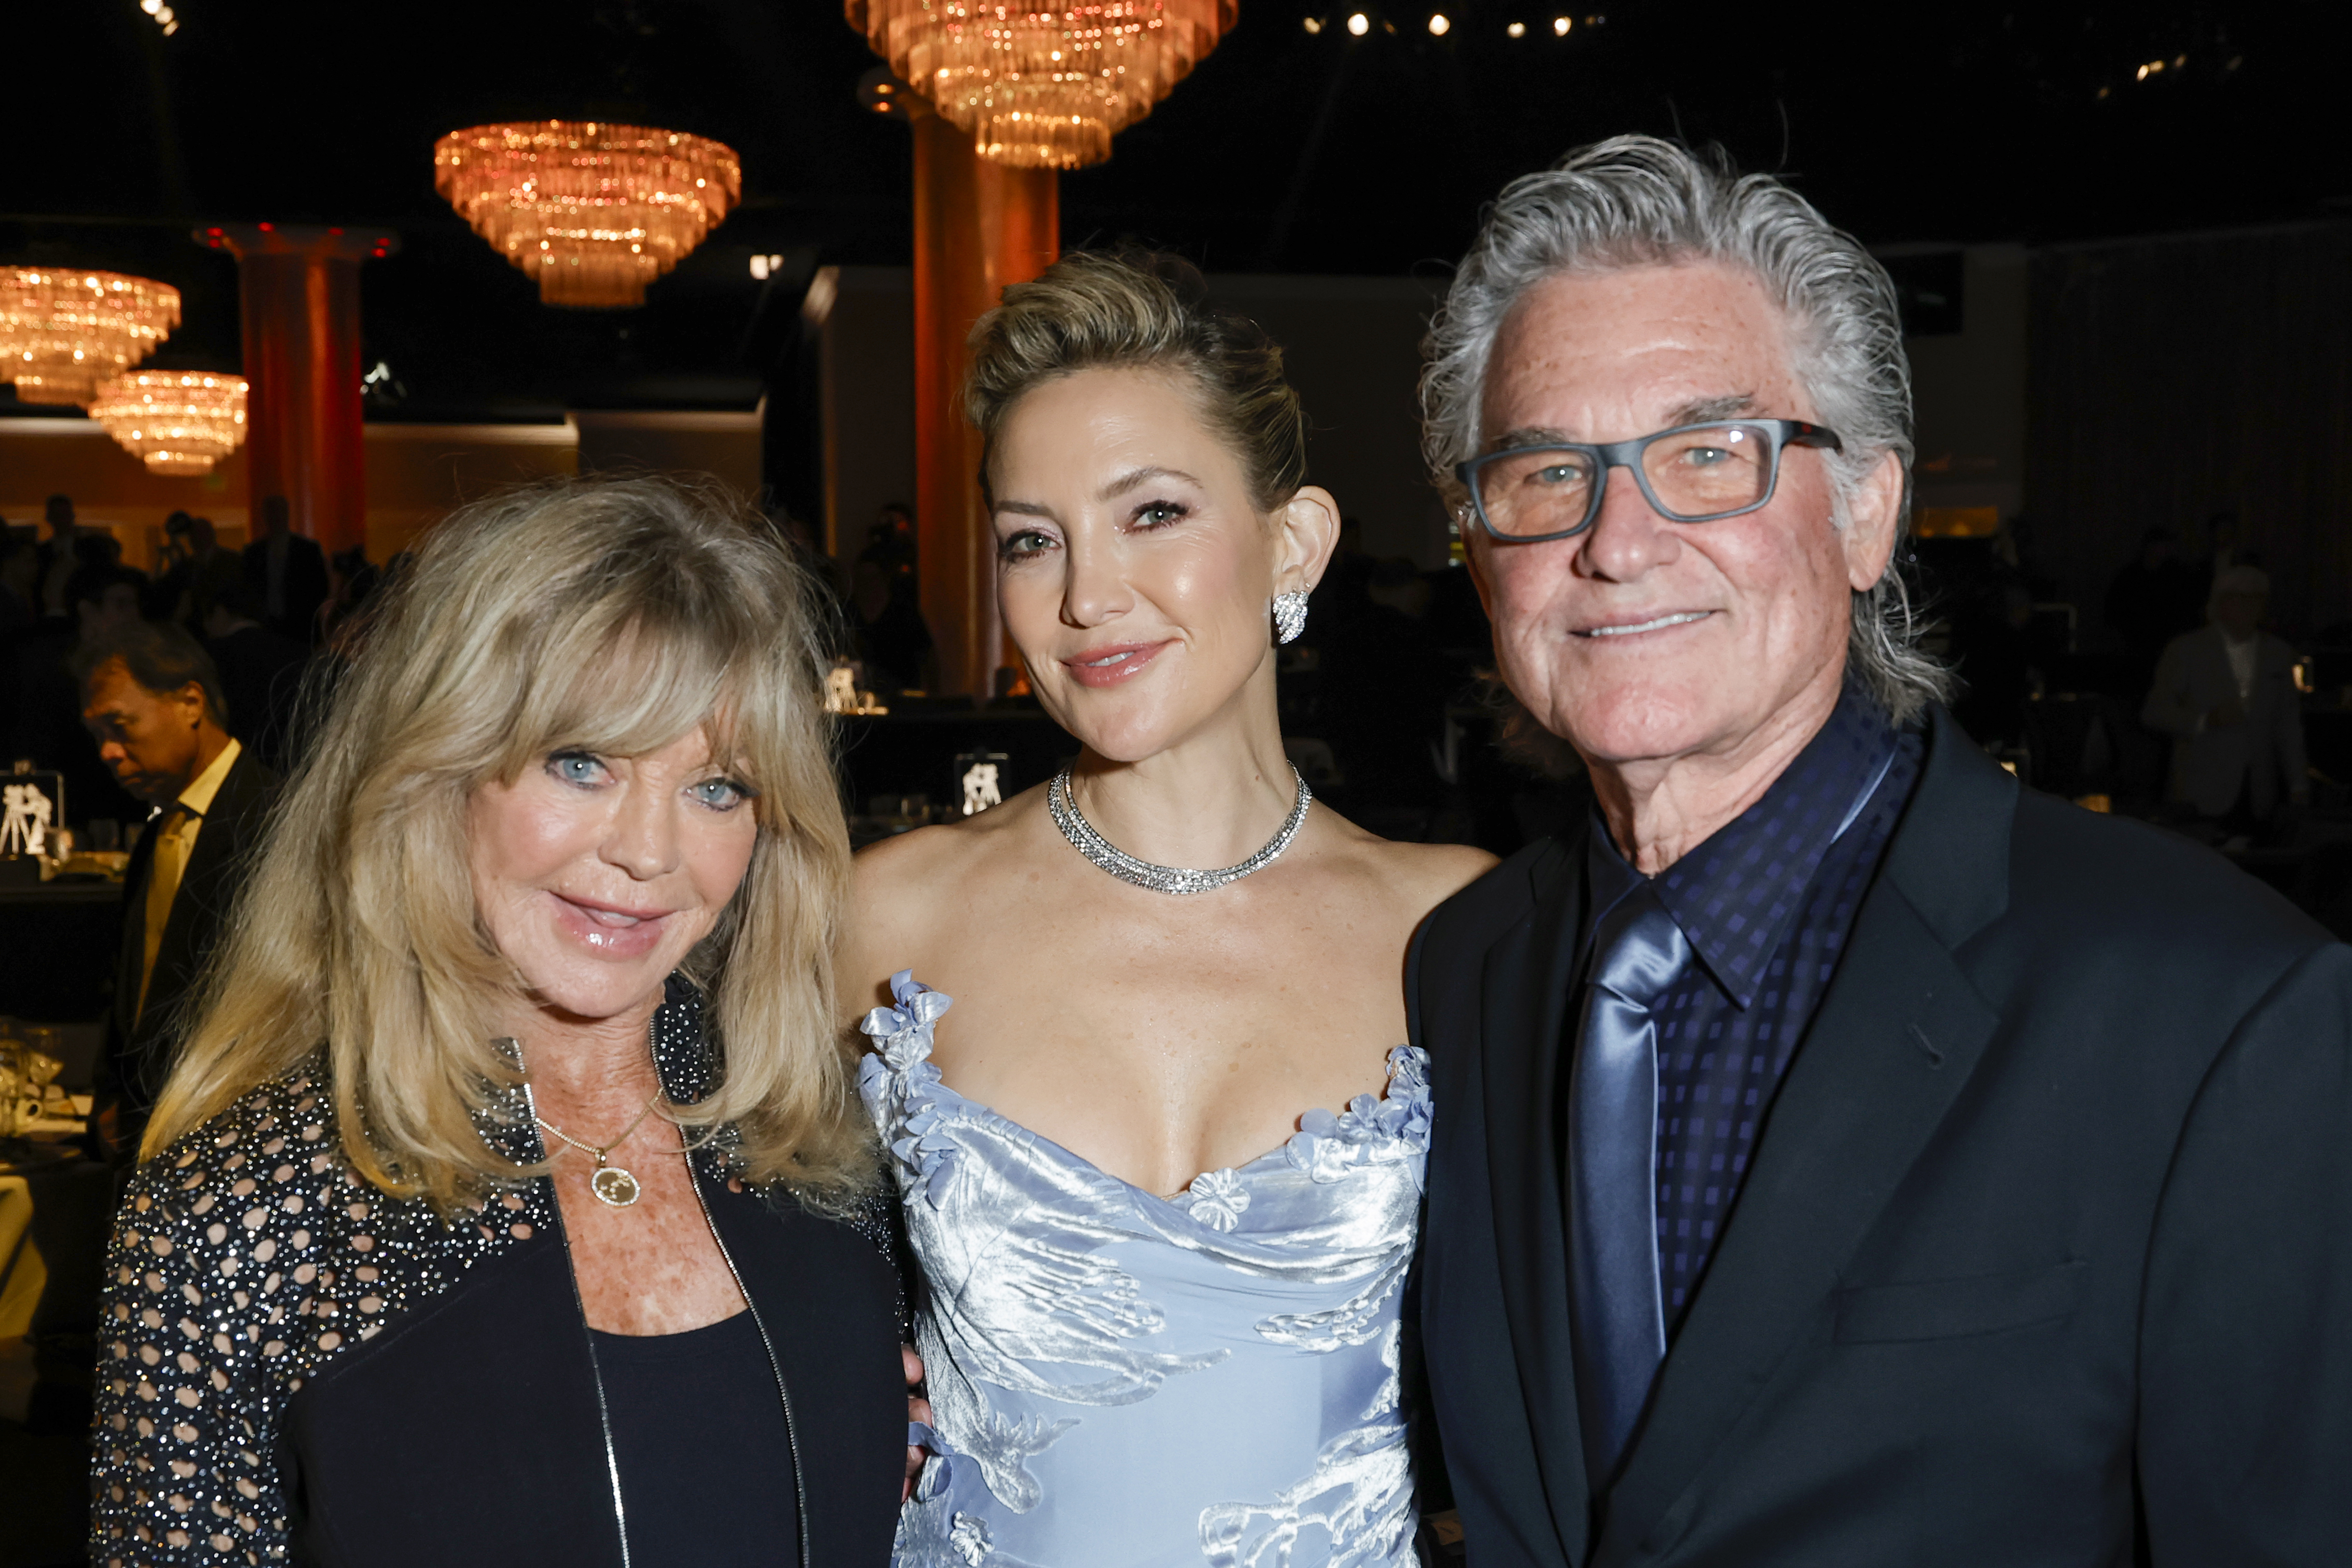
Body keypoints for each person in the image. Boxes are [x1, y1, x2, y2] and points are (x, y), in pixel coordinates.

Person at [1408, 135, 2351, 1565]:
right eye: (1547, 474)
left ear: (1864, 511)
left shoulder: (2212, 1005)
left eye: (1705, 457)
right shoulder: (1463, 971)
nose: (1615, 542)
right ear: (1482, 554)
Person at [91, 478, 907, 1568]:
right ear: (438, 772)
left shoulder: (817, 1147)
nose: (650, 854)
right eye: (583, 763)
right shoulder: (242, 1212)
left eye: (718, 788)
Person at [843, 252, 1492, 1565]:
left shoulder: (1460, 926)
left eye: (1152, 514)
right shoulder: (884, 914)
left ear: (1292, 542)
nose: (1087, 597)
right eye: (1036, 539)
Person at [74, 622, 279, 1158]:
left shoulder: (277, 821)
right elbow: (133, 989)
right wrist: (114, 1094)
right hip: (149, 1138)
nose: (108, 754)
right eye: (97, 737)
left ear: (190, 702)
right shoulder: (158, 834)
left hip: (235, 1140)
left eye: (120, 727)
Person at [2142, 563, 2308, 840]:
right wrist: (2206, 720)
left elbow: (2288, 725)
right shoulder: (2186, 651)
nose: (2246, 606)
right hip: (2200, 792)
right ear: (2219, 603)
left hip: (2259, 794)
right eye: (2237, 598)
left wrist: (2299, 783)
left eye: (2255, 599)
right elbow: (2154, 712)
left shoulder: (2278, 655)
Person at [198, 565, 309, 773]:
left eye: (208, 618)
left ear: (220, 612)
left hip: (232, 772)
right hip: (290, 769)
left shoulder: (210, 657)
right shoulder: (296, 652)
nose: (206, 627)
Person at [241, 494, 330, 645]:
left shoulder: (307, 550)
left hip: (300, 627)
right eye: (272, 513)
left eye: (279, 512)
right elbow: (248, 590)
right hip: (265, 627)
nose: (276, 517)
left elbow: (320, 587)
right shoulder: (253, 553)